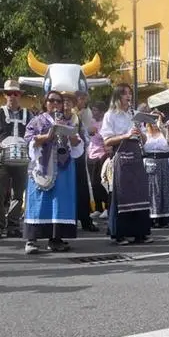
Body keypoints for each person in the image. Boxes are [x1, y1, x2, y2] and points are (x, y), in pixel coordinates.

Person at [23, 91, 83, 253]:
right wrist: (47, 136)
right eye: (51, 100)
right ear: (45, 102)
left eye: (58, 101)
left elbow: (78, 142)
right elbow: (28, 139)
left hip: (63, 166)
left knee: (59, 201)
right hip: (42, 164)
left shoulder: (67, 121)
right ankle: (32, 240)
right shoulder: (36, 120)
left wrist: (72, 137)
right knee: (39, 199)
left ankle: (55, 239)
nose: (55, 104)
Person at [101, 83, 152, 245]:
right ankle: (119, 233)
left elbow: (144, 139)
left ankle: (140, 233)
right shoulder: (110, 115)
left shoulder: (134, 114)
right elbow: (107, 141)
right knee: (122, 194)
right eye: (124, 94)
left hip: (136, 155)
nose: (128, 96)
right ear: (117, 96)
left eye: (129, 93)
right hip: (121, 155)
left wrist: (140, 133)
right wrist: (126, 135)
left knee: (139, 193)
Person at [0, 80, 30, 240]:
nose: (13, 96)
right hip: (1, 156)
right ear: (4, 95)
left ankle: (13, 225)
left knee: (18, 194)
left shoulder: (29, 114)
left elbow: (32, 133)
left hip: (22, 157)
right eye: (9, 93)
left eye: (16, 93)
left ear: (20, 95)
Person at [140, 104, 169, 227]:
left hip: (164, 163)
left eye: (157, 119)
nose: (154, 122)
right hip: (150, 163)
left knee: (164, 190)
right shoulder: (145, 133)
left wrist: (165, 127)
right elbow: (143, 148)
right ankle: (151, 218)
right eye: (152, 119)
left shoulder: (164, 132)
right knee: (151, 192)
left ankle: (164, 218)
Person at [74, 91, 98, 232]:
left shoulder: (82, 113)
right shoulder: (72, 113)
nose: (83, 101)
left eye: (84, 99)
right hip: (66, 156)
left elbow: (84, 133)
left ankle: (85, 219)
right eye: (80, 99)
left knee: (82, 187)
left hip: (79, 153)